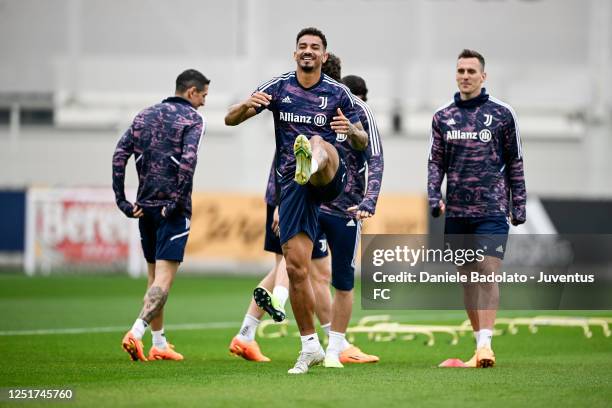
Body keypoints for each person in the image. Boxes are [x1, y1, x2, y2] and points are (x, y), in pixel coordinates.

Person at [225, 27, 368, 374]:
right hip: (293, 187)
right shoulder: (279, 87)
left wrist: (352, 130)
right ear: (295, 54)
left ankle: (312, 158)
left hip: (331, 178)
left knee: (318, 142)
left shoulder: (338, 93)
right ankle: (309, 348)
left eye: (314, 47)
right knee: (295, 268)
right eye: (302, 47)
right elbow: (229, 120)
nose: (307, 51)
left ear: (323, 55)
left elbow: (362, 141)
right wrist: (246, 106)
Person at [428, 49, 526, 368]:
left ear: (483, 76)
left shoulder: (502, 114)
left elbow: (515, 161)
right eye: (461, 71)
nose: (466, 76)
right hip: (457, 212)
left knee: (487, 270)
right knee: (467, 279)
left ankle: (486, 344)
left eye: (472, 71)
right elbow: (435, 162)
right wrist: (434, 195)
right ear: (456, 75)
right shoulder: (442, 116)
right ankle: (478, 344)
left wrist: (518, 203)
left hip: (492, 210)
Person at [112, 69, 210, 362]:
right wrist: (176, 201)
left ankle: (159, 342)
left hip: (145, 207)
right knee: (165, 278)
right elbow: (188, 161)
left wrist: (122, 201)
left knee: (154, 276)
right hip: (172, 209)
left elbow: (119, 154)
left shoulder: (144, 115)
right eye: (203, 95)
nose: (204, 102)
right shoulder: (192, 119)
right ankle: (136, 332)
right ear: (191, 92)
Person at [318, 73, 384, 368]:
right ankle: (316, 343)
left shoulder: (361, 113)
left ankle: (334, 349)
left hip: (346, 210)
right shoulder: (314, 108)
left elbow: (375, 157)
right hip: (311, 206)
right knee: (303, 274)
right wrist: (284, 204)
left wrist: (369, 200)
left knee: (342, 281)